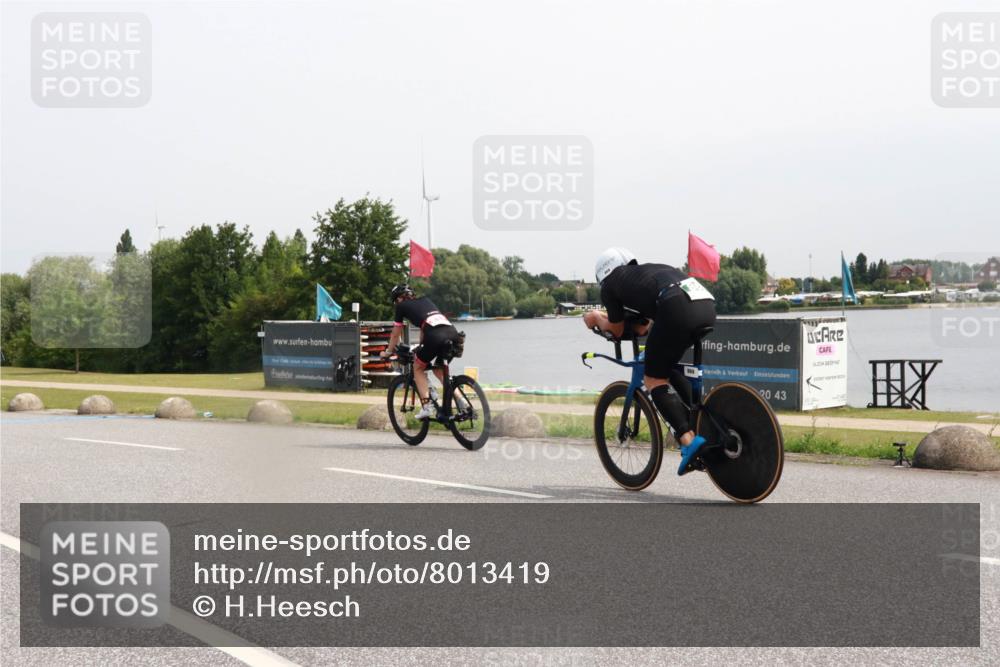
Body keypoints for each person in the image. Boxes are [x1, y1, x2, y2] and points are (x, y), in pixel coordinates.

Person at [584, 248, 717, 475]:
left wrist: (597, 318)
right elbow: (643, 326)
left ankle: (688, 440)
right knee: (666, 365)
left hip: (675, 307)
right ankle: (703, 421)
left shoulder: (611, 285)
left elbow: (615, 330)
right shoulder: (643, 275)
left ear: (602, 275)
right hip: (705, 305)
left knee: (653, 378)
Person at [382, 284, 465, 420]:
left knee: (418, 368)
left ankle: (427, 407)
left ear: (399, 299)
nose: (396, 303)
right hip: (453, 334)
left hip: (435, 337)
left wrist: (388, 352)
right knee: (438, 370)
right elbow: (425, 327)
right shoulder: (426, 301)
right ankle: (462, 404)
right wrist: (421, 345)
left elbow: (396, 334)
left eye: (396, 301)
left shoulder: (401, 307)